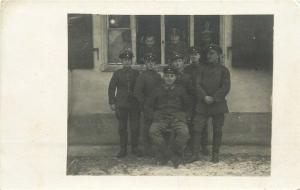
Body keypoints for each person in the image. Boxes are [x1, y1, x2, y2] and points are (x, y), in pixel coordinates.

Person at [145, 66, 192, 168]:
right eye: (167, 76)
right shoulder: (157, 89)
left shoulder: (181, 90)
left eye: (172, 76)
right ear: (163, 77)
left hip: (177, 117)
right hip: (161, 117)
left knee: (184, 132)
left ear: (175, 77)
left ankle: (169, 153)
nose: (169, 78)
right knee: (152, 131)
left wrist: (186, 116)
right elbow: (148, 105)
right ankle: (169, 155)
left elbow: (188, 105)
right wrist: (153, 116)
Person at [191, 44, 231, 163]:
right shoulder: (201, 69)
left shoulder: (224, 70)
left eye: (212, 53)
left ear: (219, 55)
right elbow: (197, 85)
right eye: (208, 54)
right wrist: (204, 97)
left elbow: (226, 87)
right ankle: (195, 154)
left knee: (217, 129)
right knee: (197, 129)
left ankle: (215, 154)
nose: (209, 56)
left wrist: (214, 98)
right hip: (202, 104)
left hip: (217, 104)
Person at [108, 49, 143, 158]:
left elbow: (141, 89)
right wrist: (112, 102)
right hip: (121, 104)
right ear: (122, 61)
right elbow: (111, 89)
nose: (127, 62)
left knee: (135, 127)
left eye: (129, 60)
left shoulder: (137, 73)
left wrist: (140, 102)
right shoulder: (117, 74)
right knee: (122, 128)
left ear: (131, 61)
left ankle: (134, 148)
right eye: (125, 60)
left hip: (134, 105)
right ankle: (123, 149)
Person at [134, 53, 162, 156]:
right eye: (148, 62)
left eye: (153, 62)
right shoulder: (142, 76)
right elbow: (137, 92)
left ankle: (156, 149)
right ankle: (147, 149)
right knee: (146, 128)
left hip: (157, 107)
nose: (151, 64)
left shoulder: (158, 76)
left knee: (156, 128)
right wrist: (144, 104)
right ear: (145, 63)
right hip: (147, 107)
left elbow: (161, 91)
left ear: (155, 64)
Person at [184, 47, 210, 156]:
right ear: (190, 56)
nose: (194, 56)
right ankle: (191, 146)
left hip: (201, 99)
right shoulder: (187, 69)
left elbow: (207, 83)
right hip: (190, 99)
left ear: (199, 56)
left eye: (196, 54)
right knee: (190, 122)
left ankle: (204, 146)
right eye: (192, 55)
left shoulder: (204, 68)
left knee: (203, 124)